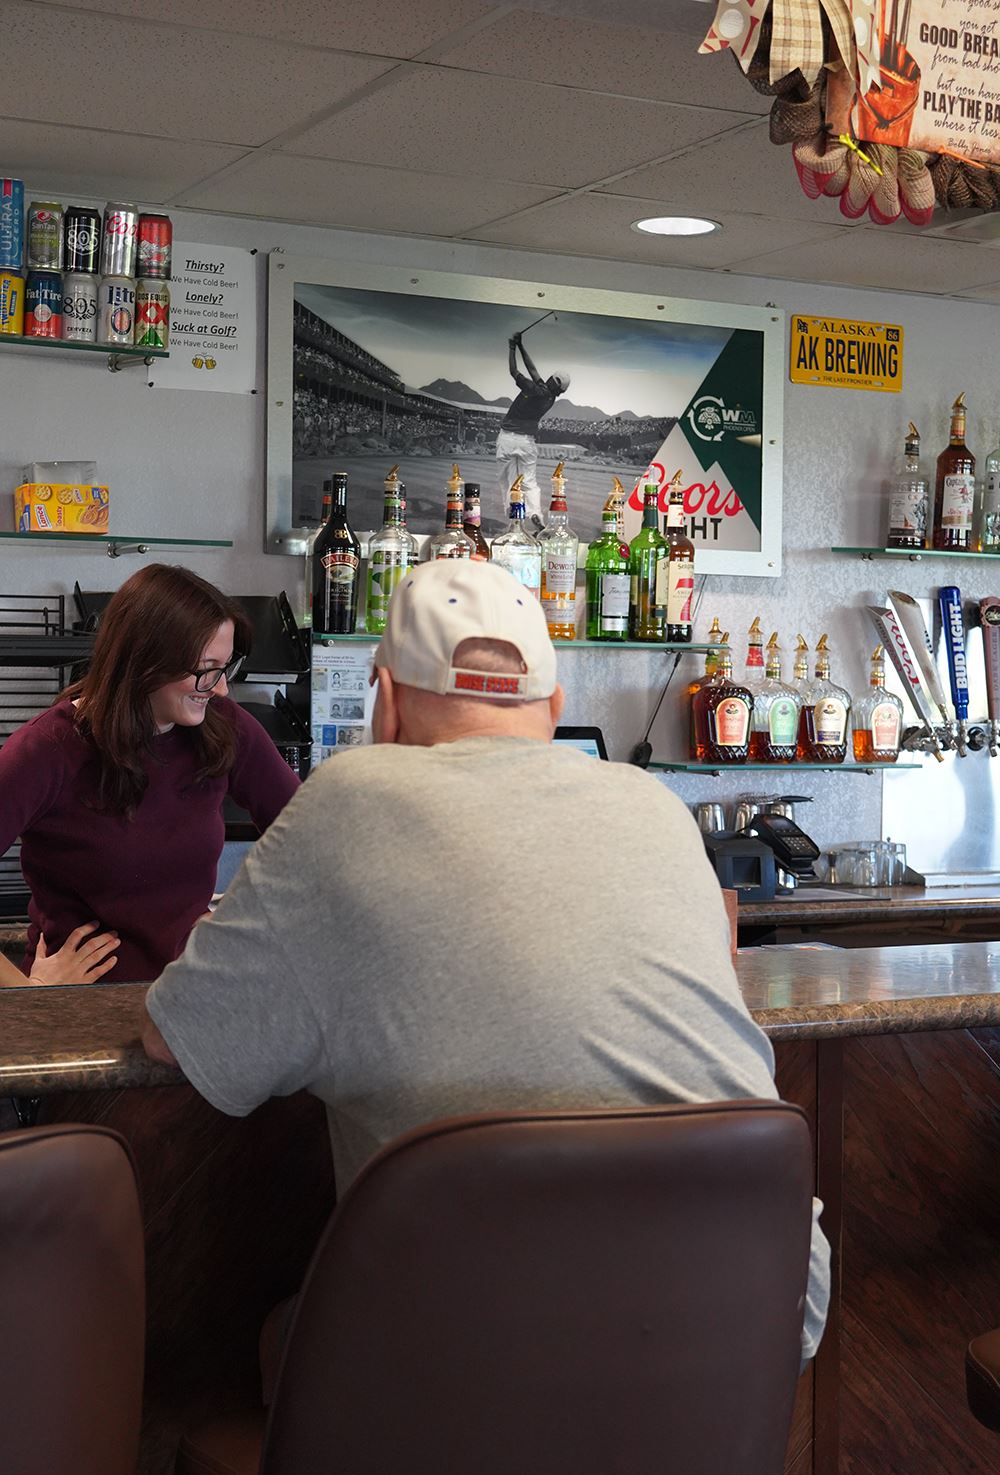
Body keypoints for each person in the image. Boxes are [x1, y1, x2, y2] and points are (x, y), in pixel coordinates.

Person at [143, 560, 829, 1362]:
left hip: (462, 1376)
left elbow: (178, 1038)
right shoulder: (657, 809)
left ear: (386, 702)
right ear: (556, 708)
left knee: (270, 1346)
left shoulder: (349, 798)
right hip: (740, 1337)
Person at [0, 564, 301, 984]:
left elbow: (310, 839)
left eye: (225, 666)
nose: (220, 688)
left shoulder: (222, 725)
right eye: (205, 668)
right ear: (145, 662)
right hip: (85, 1008)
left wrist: (244, 922)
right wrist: (29, 991)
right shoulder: (46, 750)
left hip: (190, 996)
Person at [495, 331, 570, 523]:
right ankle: (535, 514)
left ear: (552, 380)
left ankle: (515, 518)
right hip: (528, 443)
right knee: (529, 482)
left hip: (508, 439)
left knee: (508, 481)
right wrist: (521, 346)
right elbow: (532, 369)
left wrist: (511, 348)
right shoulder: (550, 396)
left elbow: (514, 371)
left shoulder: (535, 389)